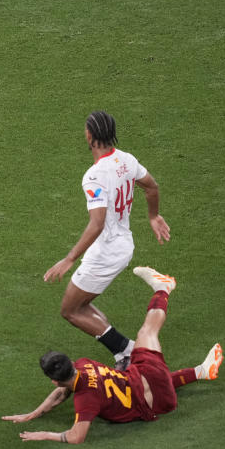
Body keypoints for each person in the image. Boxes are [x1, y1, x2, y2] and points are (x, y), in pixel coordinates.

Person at [1, 266, 224, 444]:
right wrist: (34, 413)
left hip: (157, 402)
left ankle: (201, 371)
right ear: (70, 362)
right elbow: (62, 392)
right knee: (147, 331)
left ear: (53, 379)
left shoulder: (85, 399)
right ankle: (163, 290)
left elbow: (76, 436)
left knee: (137, 373)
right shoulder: (83, 363)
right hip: (150, 375)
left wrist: (45, 434)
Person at [44, 110, 171, 369]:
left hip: (106, 252)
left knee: (70, 309)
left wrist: (69, 259)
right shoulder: (127, 160)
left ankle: (127, 351)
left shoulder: (94, 176)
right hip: (122, 244)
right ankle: (123, 352)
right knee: (81, 303)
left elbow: (97, 223)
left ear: (89, 136)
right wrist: (153, 216)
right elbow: (152, 186)